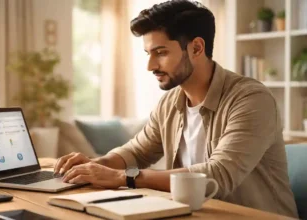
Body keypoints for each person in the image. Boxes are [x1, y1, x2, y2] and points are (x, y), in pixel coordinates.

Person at [54, 0, 298, 217]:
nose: (150, 65)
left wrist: (123, 178)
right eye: (148, 54)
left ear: (196, 48)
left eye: (160, 53)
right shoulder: (171, 102)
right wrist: (94, 165)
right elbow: (137, 152)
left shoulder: (251, 99)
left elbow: (219, 175)